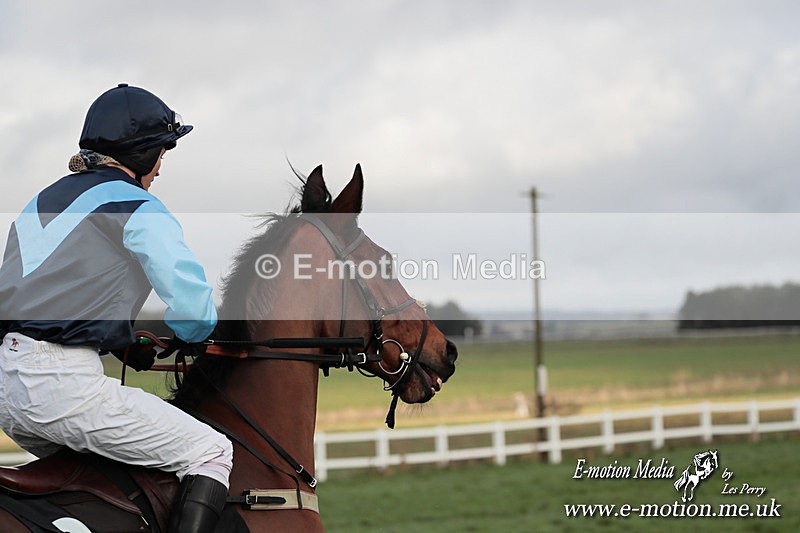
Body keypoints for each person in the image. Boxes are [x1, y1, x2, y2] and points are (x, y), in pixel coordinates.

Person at [0, 84, 232, 533]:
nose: (161, 167)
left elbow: (39, 301)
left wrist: (121, 343)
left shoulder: (39, 203)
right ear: (142, 153)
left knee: (125, 474)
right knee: (211, 450)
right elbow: (192, 306)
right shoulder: (139, 206)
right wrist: (192, 334)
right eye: (162, 152)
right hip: (63, 391)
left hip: (8, 393)